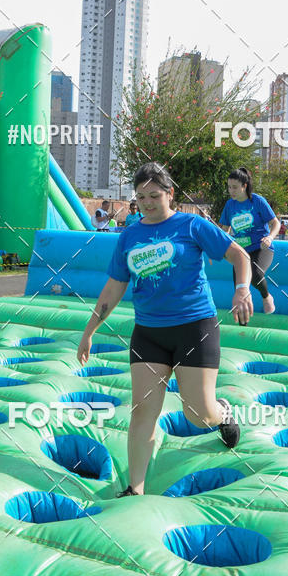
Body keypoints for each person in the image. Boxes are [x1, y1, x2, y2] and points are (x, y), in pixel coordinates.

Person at [77, 162, 253, 497]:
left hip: (194, 328)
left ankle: (222, 412)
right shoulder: (129, 236)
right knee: (143, 412)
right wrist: (89, 331)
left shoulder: (191, 225)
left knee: (198, 414)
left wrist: (242, 289)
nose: (147, 202)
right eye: (141, 197)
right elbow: (114, 287)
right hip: (149, 333)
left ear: (170, 194)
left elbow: (240, 255)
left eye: (154, 195)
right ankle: (135, 488)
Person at [219, 167, 280, 315]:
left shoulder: (257, 201)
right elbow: (225, 231)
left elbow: (275, 223)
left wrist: (269, 238)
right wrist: (219, 246)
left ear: (244, 186)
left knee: (255, 273)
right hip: (240, 251)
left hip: (261, 247)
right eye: (229, 187)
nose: (231, 191)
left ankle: (266, 297)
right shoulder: (230, 205)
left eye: (235, 187)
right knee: (239, 291)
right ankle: (242, 324)